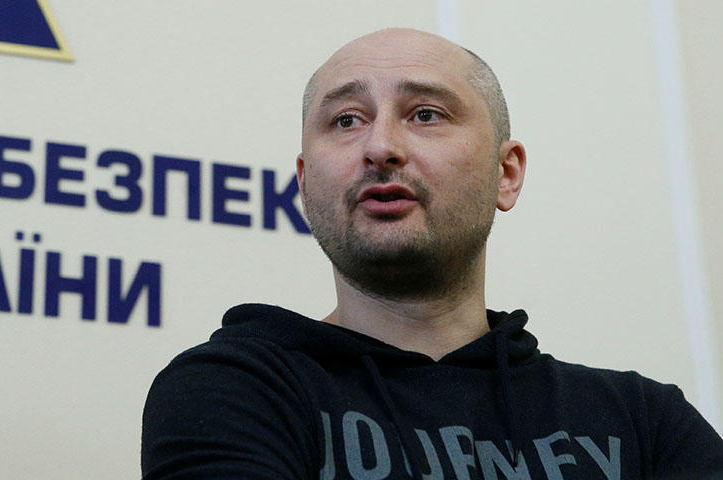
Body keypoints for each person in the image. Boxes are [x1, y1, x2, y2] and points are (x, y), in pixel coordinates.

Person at [141, 28, 723, 479]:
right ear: (303, 181)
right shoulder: (231, 391)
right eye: (347, 120)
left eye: (425, 114)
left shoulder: (644, 422)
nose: (381, 147)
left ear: (506, 172)